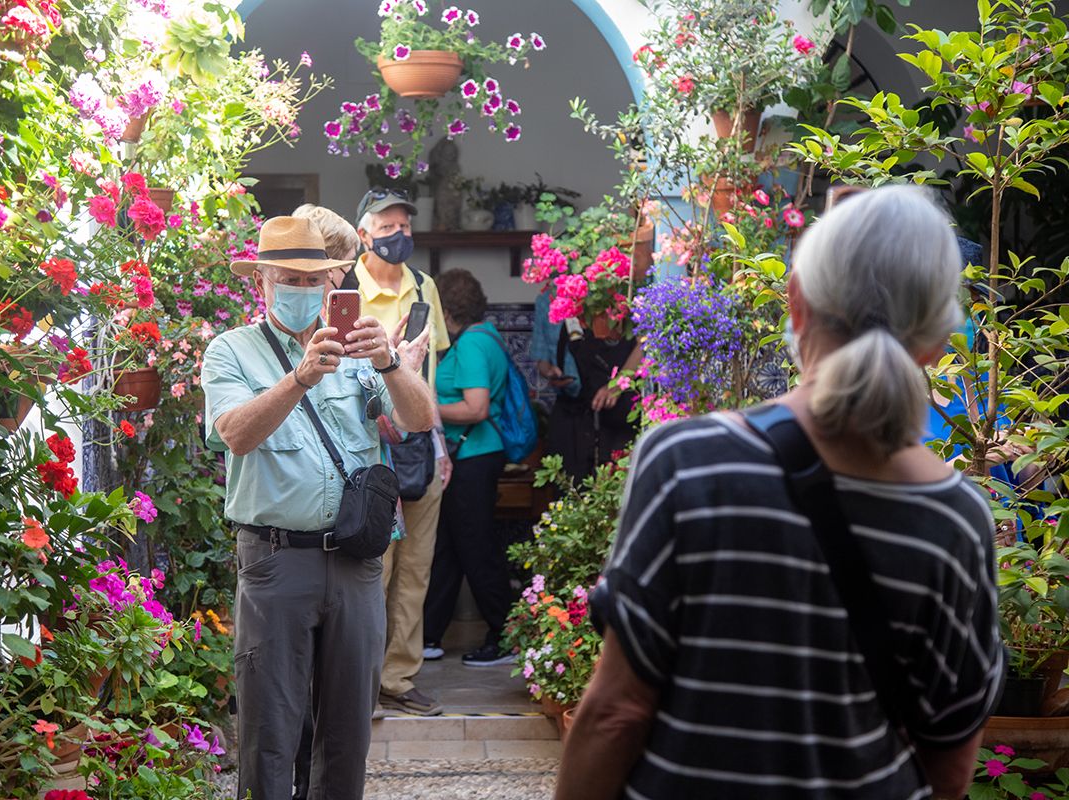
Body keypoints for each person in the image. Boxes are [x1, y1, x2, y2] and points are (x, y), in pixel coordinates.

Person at [556, 186, 1003, 800]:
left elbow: (617, 714)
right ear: (935, 342)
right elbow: (949, 763)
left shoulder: (687, 465)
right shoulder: (957, 518)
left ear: (795, 303)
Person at [202, 216, 435, 800]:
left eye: (315, 282)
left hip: (356, 563)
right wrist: (299, 378)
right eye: (289, 280)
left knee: (348, 731)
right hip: (276, 563)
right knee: (270, 731)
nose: (304, 292)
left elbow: (419, 419)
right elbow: (233, 433)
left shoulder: (359, 349)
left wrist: (390, 362)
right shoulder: (231, 350)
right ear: (263, 284)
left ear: (334, 285)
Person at [344, 187, 452, 717]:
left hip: (421, 451)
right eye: (386, 227)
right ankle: (360, 685)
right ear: (363, 234)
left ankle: (398, 678)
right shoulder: (344, 288)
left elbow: (432, 373)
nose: (399, 235)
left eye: (404, 225)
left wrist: (439, 443)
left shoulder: (425, 287)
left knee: (415, 570)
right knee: (373, 569)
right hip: (368, 450)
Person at [422, 268, 516, 667]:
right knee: (449, 547)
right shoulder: (484, 338)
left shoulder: (473, 345)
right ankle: (428, 634)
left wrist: (424, 409)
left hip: (473, 456)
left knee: (476, 549)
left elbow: (475, 408)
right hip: (470, 456)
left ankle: (506, 635)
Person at [531, 284, 642, 482]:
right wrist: (550, 372)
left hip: (612, 409)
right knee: (566, 483)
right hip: (569, 409)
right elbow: (541, 359)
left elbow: (645, 341)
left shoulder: (607, 292)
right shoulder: (545, 300)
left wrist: (617, 385)